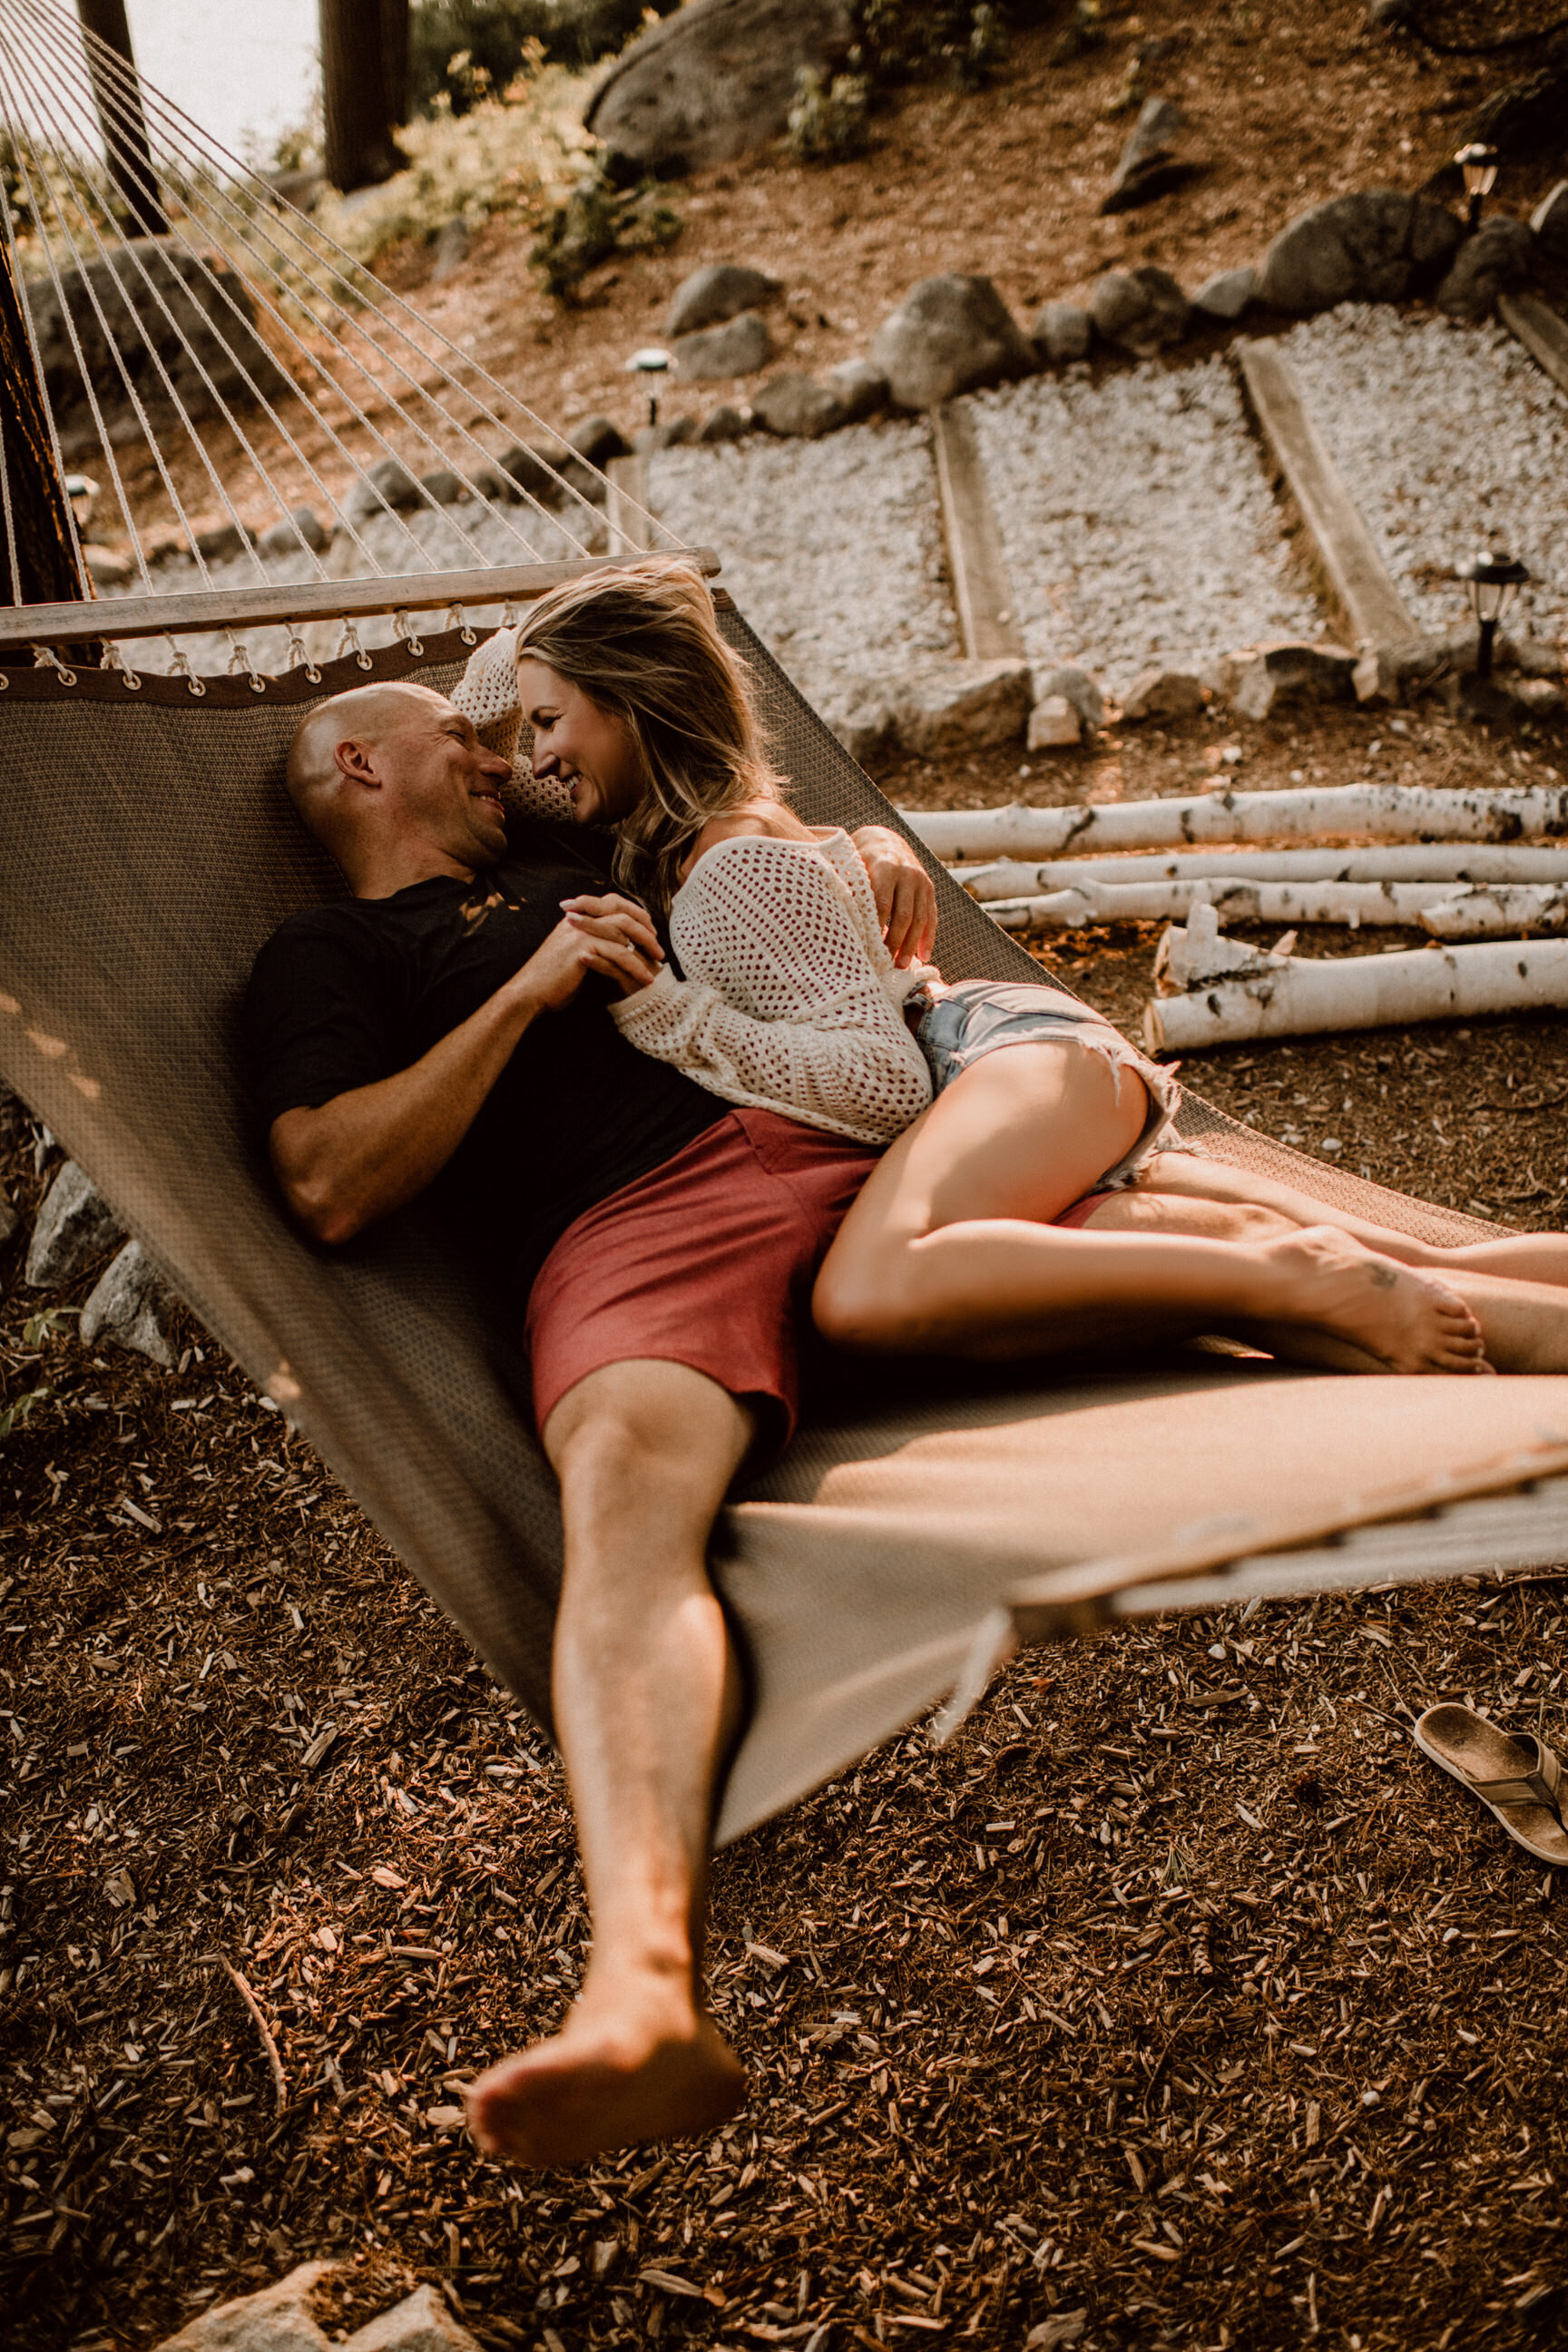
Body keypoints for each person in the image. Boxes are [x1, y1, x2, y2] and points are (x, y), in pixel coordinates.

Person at [453, 560, 1568, 1378]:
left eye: (551, 721)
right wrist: (544, 661)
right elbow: (484, 699)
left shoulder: (724, 869)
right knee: (1446, 1268)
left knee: (867, 1290)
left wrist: (666, 1013)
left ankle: (1298, 1270)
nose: (531, 756)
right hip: (1016, 1063)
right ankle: (1333, 1273)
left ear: (635, 699)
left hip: (990, 1066)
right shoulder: (706, 830)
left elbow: (883, 1083)